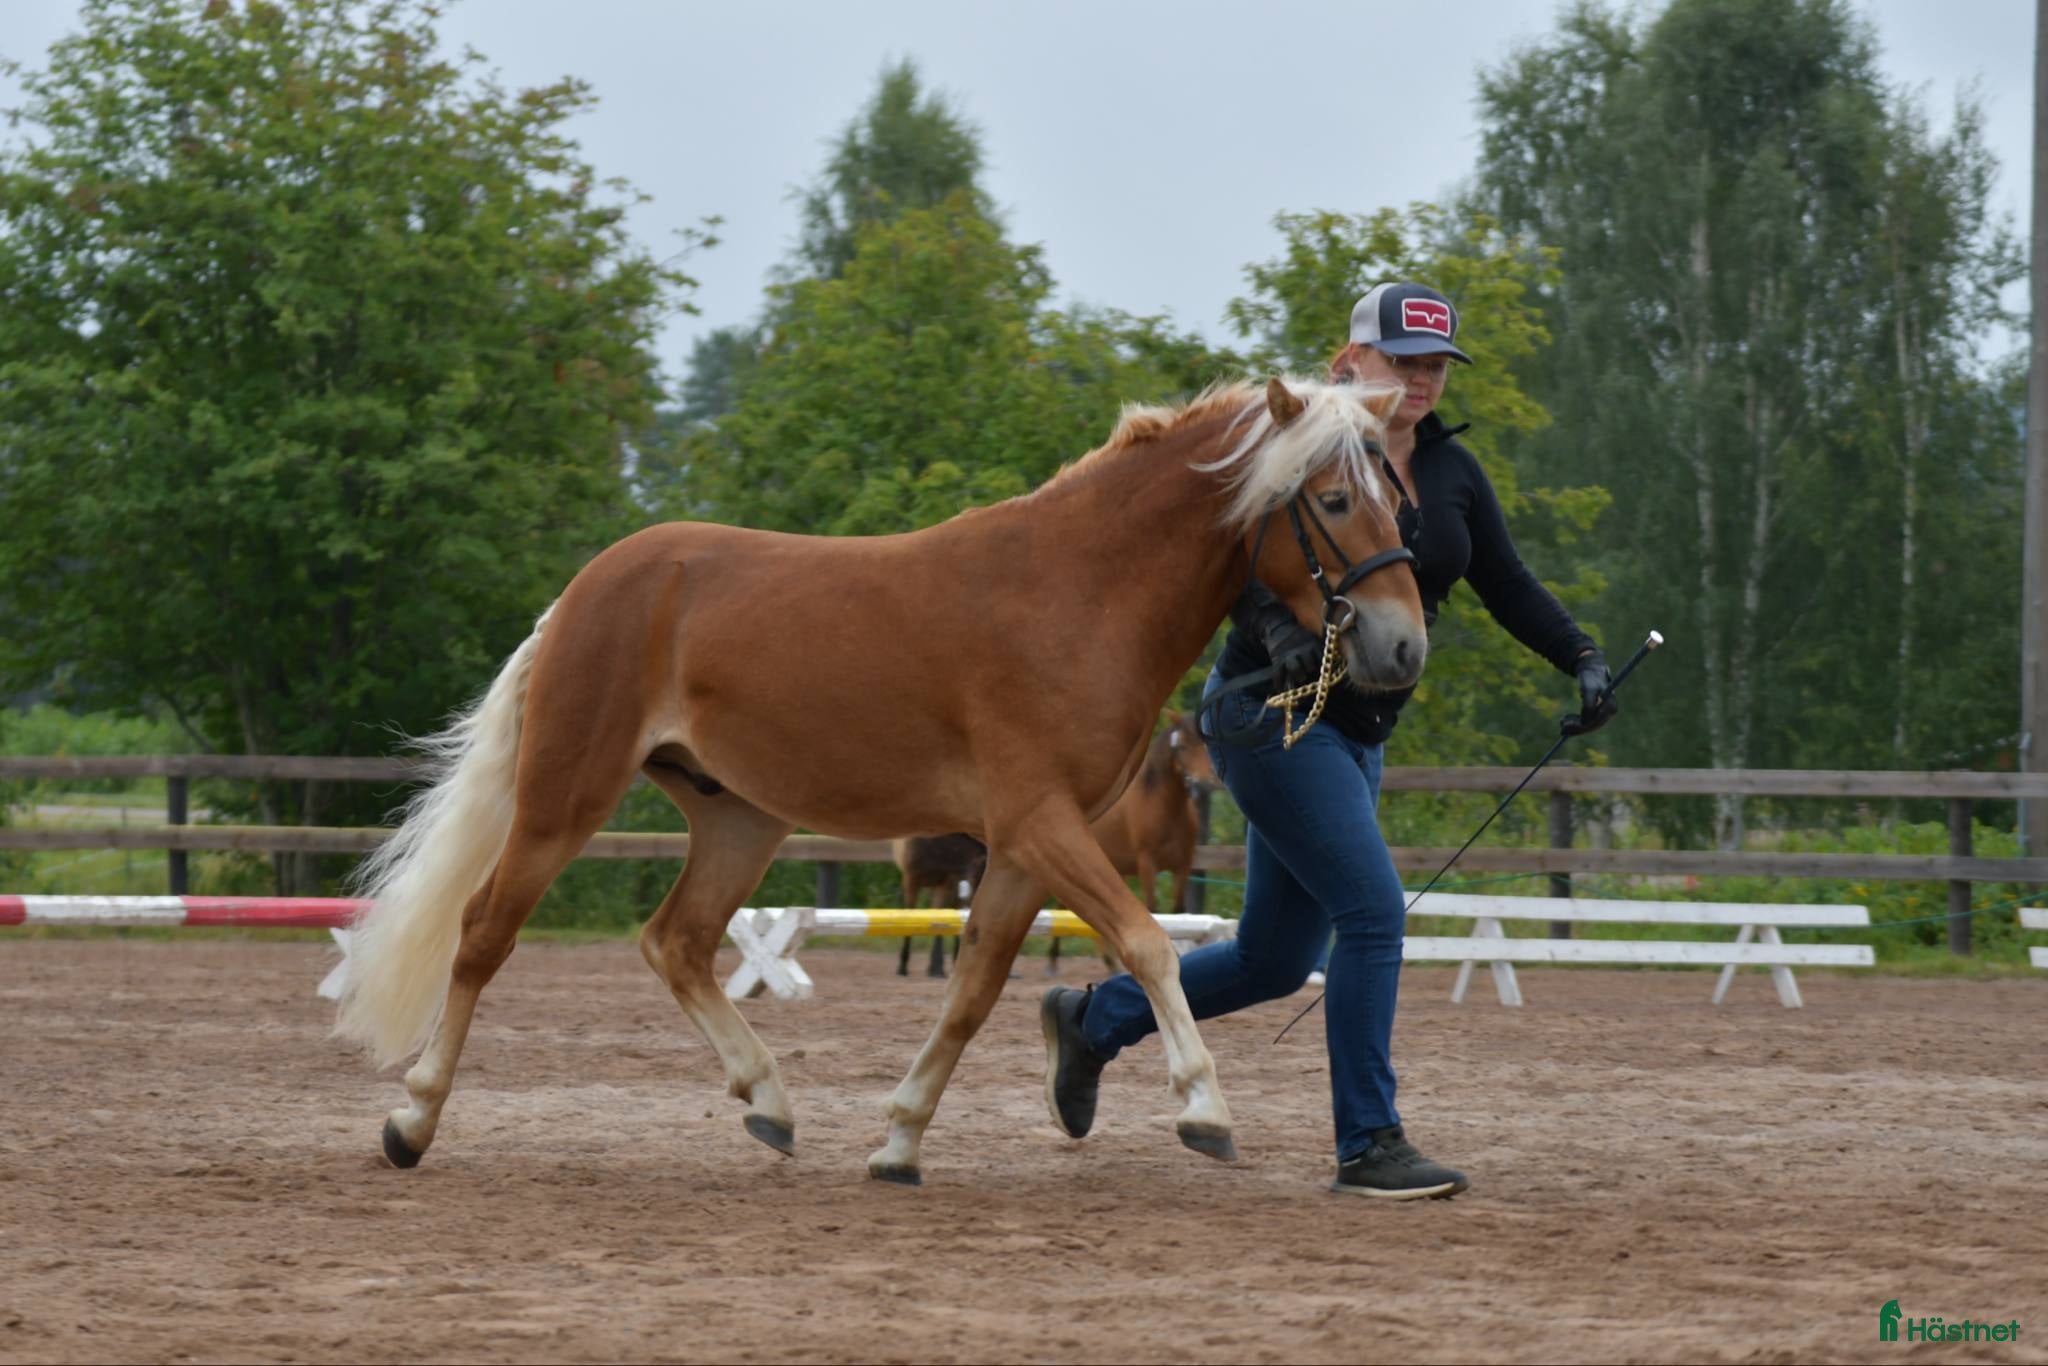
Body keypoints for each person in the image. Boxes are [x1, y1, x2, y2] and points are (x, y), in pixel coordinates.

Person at [1039, 282, 1615, 1199]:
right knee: (1374, 915)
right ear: (1352, 361)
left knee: (1274, 958)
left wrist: (1580, 658)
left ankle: (1094, 1017)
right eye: (1403, 361)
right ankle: (1369, 1142)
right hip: (1273, 718)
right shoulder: (1301, 449)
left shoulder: (1454, 474)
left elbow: (1506, 582)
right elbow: (1236, 570)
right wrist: (1284, 633)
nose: (1421, 379)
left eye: (1434, 364)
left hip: (1359, 734)